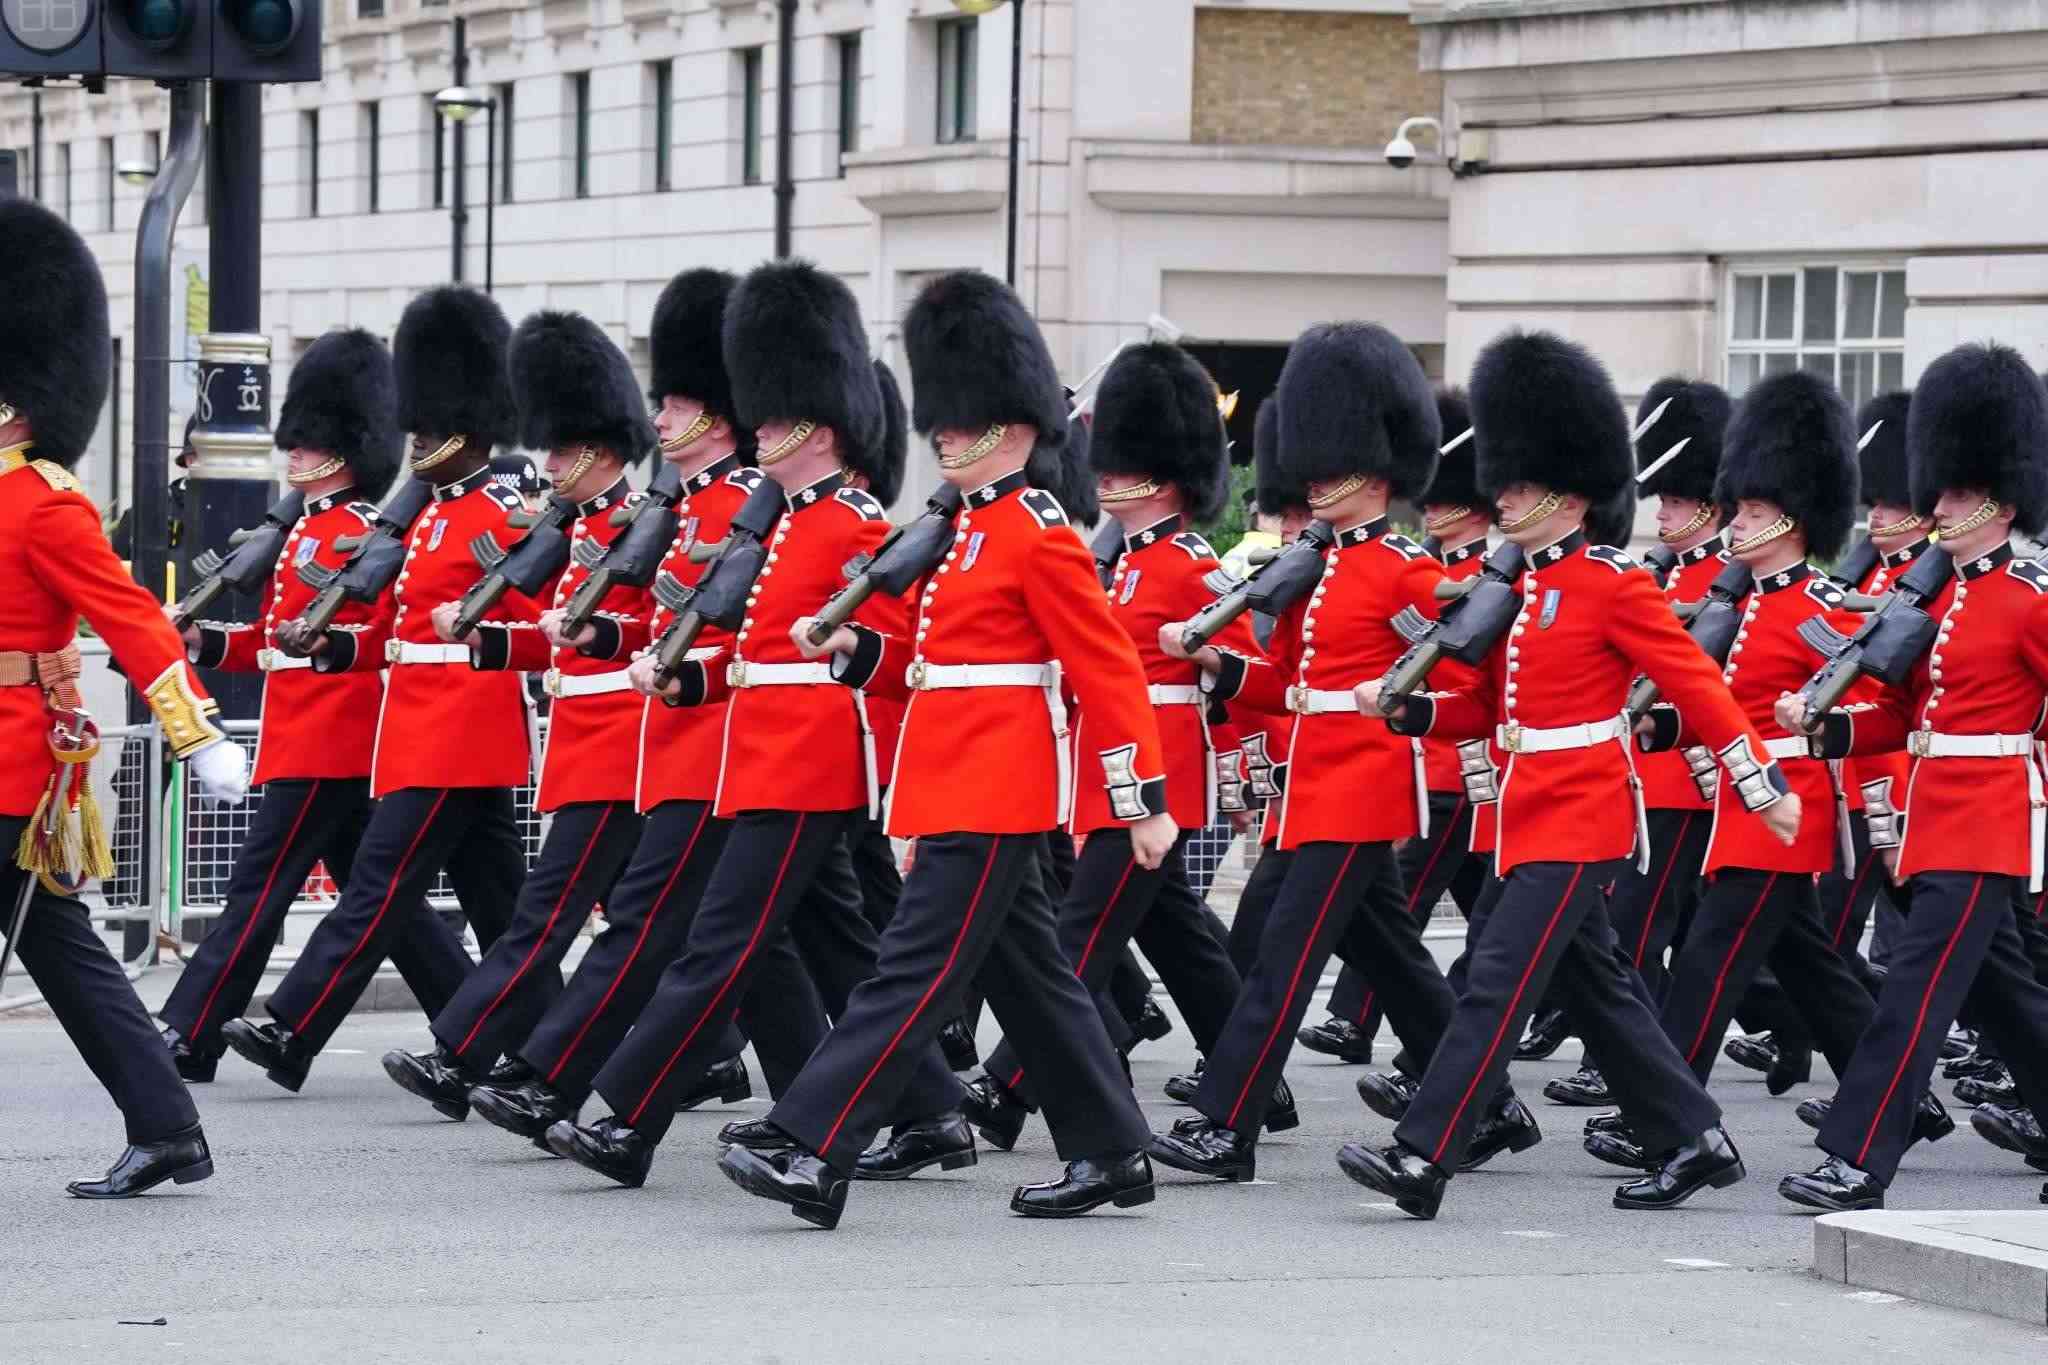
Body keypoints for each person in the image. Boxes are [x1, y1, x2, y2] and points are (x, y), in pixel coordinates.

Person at [716, 269, 1169, 1227]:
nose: (945, 435)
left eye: (963, 423)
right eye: (944, 422)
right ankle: (1112, 1149)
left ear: (1012, 427)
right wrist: (855, 651)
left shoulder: (1039, 533)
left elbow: (1107, 671)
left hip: (997, 785)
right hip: (955, 778)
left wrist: (1140, 799)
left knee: (909, 973)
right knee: (1034, 978)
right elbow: (930, 669)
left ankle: (814, 1143)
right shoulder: (959, 534)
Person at [1344, 328, 1799, 1220]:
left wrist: (1759, 784)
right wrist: (1410, 710)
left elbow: (1695, 683)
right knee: (1602, 988)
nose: (1504, 494)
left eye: (1520, 482)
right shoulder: (1517, 588)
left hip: (1582, 811)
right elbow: (1489, 707)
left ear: (1570, 491)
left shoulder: (1613, 583)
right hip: (1528, 809)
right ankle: (1695, 1139)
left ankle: (1423, 1153)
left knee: (1495, 980)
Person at [546, 259, 964, 1193]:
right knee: (839, 944)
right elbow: (749, 655)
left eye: (774, 420)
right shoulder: (779, 523)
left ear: (819, 428)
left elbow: (898, 648)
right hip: (761, 752)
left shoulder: (853, 521)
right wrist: (683, 677)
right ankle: (932, 1108)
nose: (759, 429)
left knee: (718, 944)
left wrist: (846, 653)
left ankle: (627, 1120)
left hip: (806, 760)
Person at [1148, 323, 1536, 1186]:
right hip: (1310, 786)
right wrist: (1214, 665)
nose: (1316, 479)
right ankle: (1492, 1103)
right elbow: (1284, 685)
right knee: (1393, 955)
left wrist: (1403, 700)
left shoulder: (1404, 570)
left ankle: (1227, 1122)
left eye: (1334, 465)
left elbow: (1456, 670)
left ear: (1378, 470)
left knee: (1282, 961)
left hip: (1360, 786)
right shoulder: (1310, 567)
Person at [461, 268, 825, 1145]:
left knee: (650, 926)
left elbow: (748, 637)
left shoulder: (740, 506)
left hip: (714, 745)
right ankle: (875, 1103)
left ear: (716, 417)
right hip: (675, 742)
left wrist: (681, 677)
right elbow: (656, 624)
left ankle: (554, 1077)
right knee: (760, 942)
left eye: (677, 403)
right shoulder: (688, 508)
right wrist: (594, 637)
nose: (659, 418)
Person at [1585, 371, 1951, 1172]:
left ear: (1791, 520)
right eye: (1739, 510)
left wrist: (1856, 778)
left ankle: (1665, 1115)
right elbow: (1731, 707)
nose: (1737, 524)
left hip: (1786, 807)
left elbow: (1869, 709)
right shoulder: (1747, 604)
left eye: (1751, 513)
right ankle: (1906, 1097)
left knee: (1708, 962)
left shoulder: (1821, 606)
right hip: (1747, 805)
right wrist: (1662, 724)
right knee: (1813, 969)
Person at [956, 340, 1278, 1151]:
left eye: (1125, 463)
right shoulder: (1121, 564)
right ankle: (1256, 1083)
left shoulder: (1193, 566)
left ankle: (1007, 1086)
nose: (1106, 474)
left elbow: (1262, 679)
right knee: (1182, 941)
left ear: (1167, 477)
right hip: (1102, 764)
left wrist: (1212, 665)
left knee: (1081, 934)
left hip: (1153, 772)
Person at [219, 286, 538, 1092]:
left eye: (428, 425)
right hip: (423, 727)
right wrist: (335, 645)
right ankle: (552, 1053)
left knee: (378, 882)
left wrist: (482, 637)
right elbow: (391, 631)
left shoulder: (501, 513)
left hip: (460, 730)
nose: (415, 436)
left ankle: (294, 1025)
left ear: (466, 427)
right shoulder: (426, 516)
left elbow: (535, 626)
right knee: (508, 910)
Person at [0, 197, 248, 1196]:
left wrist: (196, 733)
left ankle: (168, 1125)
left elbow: (135, 619)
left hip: (12, 760)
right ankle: (168, 1126)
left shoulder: (45, 506)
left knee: (68, 952)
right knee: (67, 955)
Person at [1780, 343, 2048, 1211]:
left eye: (1959, 495)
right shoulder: (1939, 598)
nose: (1940, 507)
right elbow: (1904, 716)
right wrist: (1830, 729)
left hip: (1989, 820)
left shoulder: (2031, 597)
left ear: (2003, 501)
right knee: (2004, 997)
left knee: (1913, 994)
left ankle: (1858, 1158)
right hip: (1933, 812)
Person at [160, 331, 470, 1079]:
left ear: (340, 452)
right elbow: (273, 643)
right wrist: (202, 641)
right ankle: (471, 1029)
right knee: (387, 905)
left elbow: (376, 636)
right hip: (304, 735)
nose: (293, 453)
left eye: (307, 444)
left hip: (329, 740)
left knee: (258, 886)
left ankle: (191, 1033)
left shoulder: (358, 534)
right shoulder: (301, 529)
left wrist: (323, 644)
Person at [380, 310, 657, 1117]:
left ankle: (463, 1055)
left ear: (601, 451)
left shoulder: (641, 527)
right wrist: (490, 640)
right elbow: (555, 643)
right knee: (654, 929)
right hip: (583, 744)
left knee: (546, 916)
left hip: (621, 746)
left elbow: (650, 629)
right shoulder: (575, 531)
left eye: (563, 450)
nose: (550, 462)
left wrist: (589, 631)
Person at [1533, 377, 1734, 1102]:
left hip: (1688, 778)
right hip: (1639, 773)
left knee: (1641, 926)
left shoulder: (1729, 583)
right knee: (1642, 930)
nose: (1664, 511)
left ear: (1709, 505)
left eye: (1677, 501)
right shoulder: (1656, 575)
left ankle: (1620, 1065)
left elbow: (1714, 683)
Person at [1305, 386, 1495, 1068]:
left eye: (1449, 497)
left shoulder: (1445, 576)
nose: (1435, 507)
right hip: (1419, 761)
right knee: (1418, 908)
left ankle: (1362, 1022)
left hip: (1450, 766)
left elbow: (1459, 681)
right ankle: (1419, 1038)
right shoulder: (1424, 569)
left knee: (1408, 900)